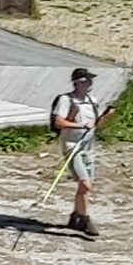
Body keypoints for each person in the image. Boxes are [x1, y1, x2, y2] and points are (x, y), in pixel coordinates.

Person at [48, 64, 107, 237]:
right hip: (72, 146)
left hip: (88, 147)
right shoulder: (66, 100)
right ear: (77, 83)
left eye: (90, 81)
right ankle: (84, 219)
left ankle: (76, 216)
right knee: (85, 183)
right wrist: (81, 125)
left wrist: (105, 117)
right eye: (86, 81)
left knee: (85, 186)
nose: (89, 84)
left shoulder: (92, 100)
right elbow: (59, 122)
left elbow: (96, 124)